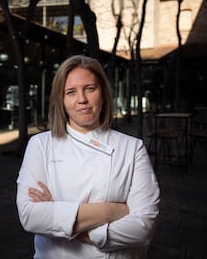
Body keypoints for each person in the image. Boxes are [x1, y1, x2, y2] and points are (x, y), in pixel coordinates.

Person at [16, 55, 160, 259]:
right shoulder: (41, 145)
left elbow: (144, 228)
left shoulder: (132, 148)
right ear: (62, 100)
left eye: (90, 88)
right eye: (71, 92)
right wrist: (112, 212)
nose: (82, 99)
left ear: (103, 93)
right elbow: (30, 216)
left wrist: (61, 219)